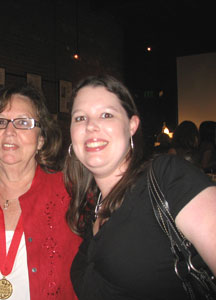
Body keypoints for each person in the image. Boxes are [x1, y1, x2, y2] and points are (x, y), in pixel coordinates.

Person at [64, 75, 216, 299]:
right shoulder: (92, 204)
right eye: (80, 118)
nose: (91, 126)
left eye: (106, 115)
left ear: (132, 125)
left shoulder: (167, 177)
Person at [0, 85, 81, 300]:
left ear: (41, 139)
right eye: (0, 122)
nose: (9, 132)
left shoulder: (70, 194)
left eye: (23, 123)